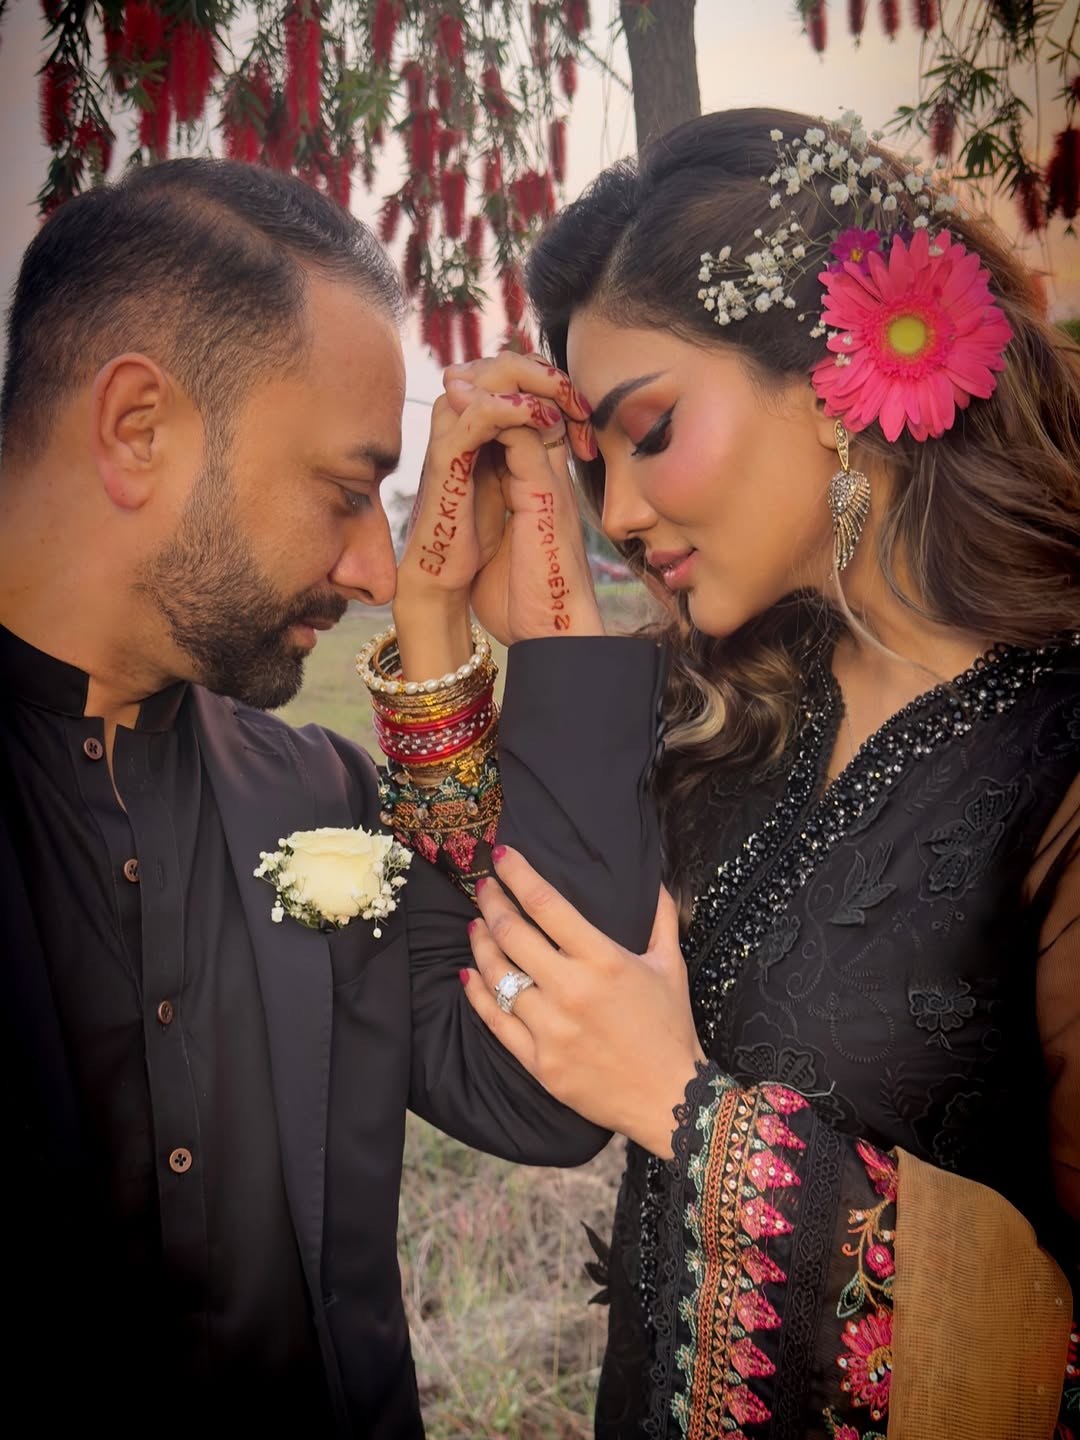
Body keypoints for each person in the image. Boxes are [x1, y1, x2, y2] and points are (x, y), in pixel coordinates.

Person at [396, 109, 1080, 1438]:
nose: (625, 515)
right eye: (594, 470)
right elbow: (524, 1052)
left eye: (648, 432)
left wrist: (680, 1107)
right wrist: (450, 630)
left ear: (840, 376)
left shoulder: (1059, 764)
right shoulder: (722, 711)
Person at [0, 157, 666, 1436]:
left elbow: (535, 1088)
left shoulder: (312, 793)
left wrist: (552, 632)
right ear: (138, 430)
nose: (375, 565)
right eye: (346, 489)